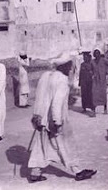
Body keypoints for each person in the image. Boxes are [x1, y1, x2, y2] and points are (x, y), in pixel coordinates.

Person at [27, 52, 97, 183]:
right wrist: (57, 122)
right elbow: (57, 103)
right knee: (66, 145)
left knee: (41, 146)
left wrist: (37, 116)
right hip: (55, 120)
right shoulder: (62, 80)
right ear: (65, 66)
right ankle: (78, 171)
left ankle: (35, 173)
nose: (71, 69)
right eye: (70, 66)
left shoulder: (45, 76)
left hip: (41, 119)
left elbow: (39, 97)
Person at [91, 48, 108, 116]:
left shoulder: (103, 60)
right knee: (94, 94)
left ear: (100, 54)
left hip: (102, 80)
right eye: (95, 53)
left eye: (98, 53)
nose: (96, 55)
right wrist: (91, 74)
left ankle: (105, 109)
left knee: (103, 94)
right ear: (94, 55)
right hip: (95, 80)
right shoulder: (92, 61)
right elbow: (90, 69)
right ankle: (94, 111)